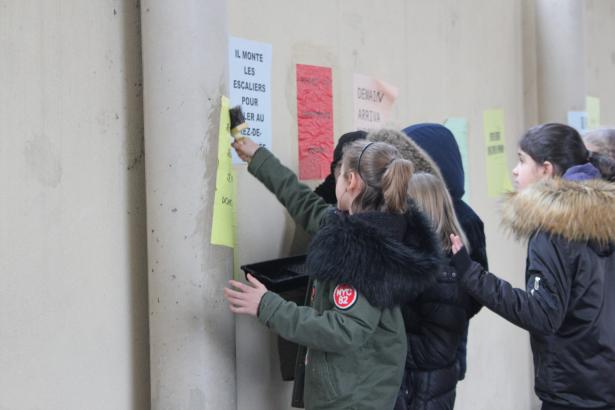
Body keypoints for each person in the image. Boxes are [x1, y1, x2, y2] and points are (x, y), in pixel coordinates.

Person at [226, 139, 443, 410]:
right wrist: (259, 158)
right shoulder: (354, 229)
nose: (335, 180)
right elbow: (304, 203)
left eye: (339, 173)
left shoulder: (364, 254)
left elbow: (344, 330)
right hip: (350, 391)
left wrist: (267, 306)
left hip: (353, 401)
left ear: (351, 181)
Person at [450, 123, 615, 410]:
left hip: (572, 392)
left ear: (546, 170)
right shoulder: (605, 215)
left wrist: (470, 273)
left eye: (522, 160)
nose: (515, 170)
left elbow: (542, 314)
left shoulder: (553, 228)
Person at [394, 172, 481, 410]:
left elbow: (438, 350)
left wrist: (388, 344)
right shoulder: (423, 264)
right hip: (418, 389)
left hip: (423, 394)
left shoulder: (444, 275)